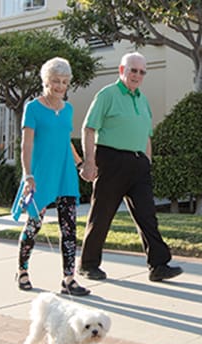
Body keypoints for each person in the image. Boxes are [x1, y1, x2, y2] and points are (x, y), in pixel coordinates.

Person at [78, 52, 183, 282]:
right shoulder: (107, 95)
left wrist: (147, 161)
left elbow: (147, 135)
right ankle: (88, 264)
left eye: (141, 72)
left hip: (138, 165)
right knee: (102, 214)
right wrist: (89, 162)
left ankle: (158, 265)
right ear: (121, 70)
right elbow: (88, 128)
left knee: (147, 216)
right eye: (133, 70)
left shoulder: (142, 100)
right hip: (111, 160)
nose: (137, 75)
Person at [10, 57, 90, 296]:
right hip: (41, 174)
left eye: (64, 82)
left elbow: (66, 141)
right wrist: (28, 175)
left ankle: (69, 279)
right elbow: (27, 145)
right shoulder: (33, 108)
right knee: (34, 225)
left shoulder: (68, 110)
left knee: (69, 228)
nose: (60, 86)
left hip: (65, 174)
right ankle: (22, 271)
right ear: (46, 81)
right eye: (55, 81)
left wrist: (81, 165)